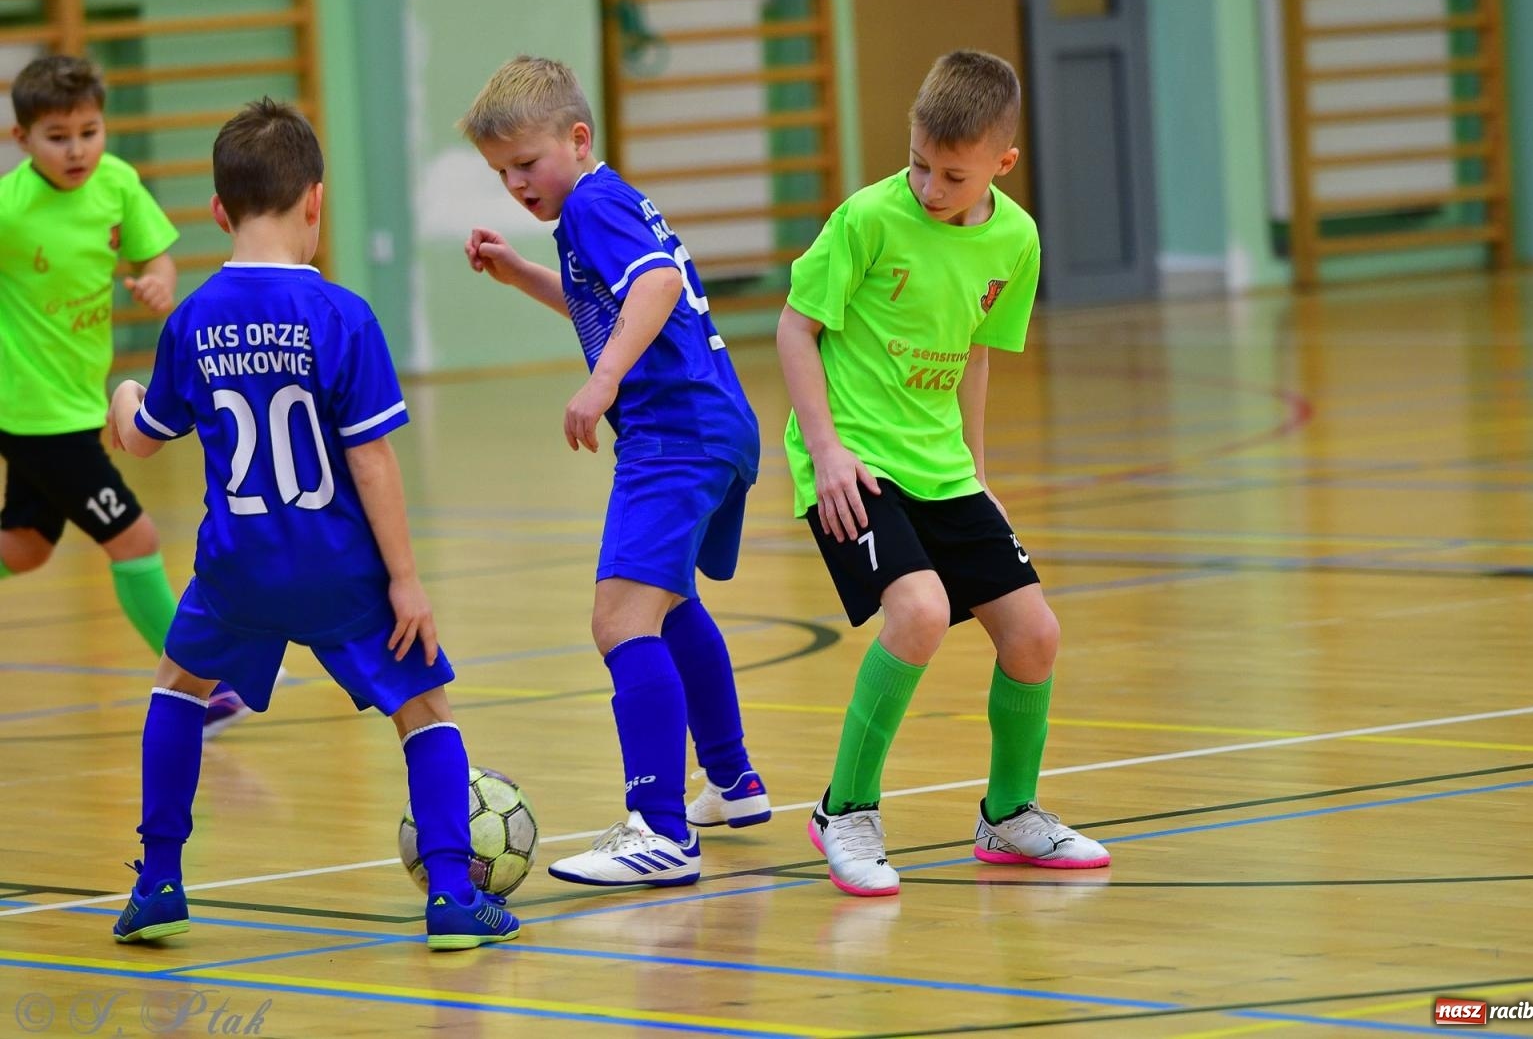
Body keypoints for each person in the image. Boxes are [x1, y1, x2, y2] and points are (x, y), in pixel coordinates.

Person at [106, 98, 518, 951]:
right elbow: (372, 460)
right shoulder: (343, 316)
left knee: (177, 687)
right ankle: (451, 893)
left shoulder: (193, 319)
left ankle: (158, 881)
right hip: (339, 569)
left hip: (237, 569)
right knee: (425, 710)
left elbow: (142, 440)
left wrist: (123, 397)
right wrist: (405, 580)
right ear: (316, 202)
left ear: (218, 211)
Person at [775, 50, 1111, 897]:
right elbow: (794, 329)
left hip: (943, 467)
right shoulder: (867, 218)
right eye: (919, 162)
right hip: (853, 460)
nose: (929, 186)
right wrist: (826, 451)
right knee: (919, 611)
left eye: (953, 175)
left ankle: (1009, 815)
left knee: (1035, 635)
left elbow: (974, 356)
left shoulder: (1016, 240)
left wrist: (979, 472)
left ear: (1003, 162)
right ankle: (844, 810)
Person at [460, 55, 767, 888]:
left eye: (526, 163)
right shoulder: (604, 204)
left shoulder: (591, 203)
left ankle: (660, 831)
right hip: (715, 424)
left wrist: (601, 384)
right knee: (666, 605)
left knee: (620, 620)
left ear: (577, 137)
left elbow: (656, 286)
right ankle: (732, 780)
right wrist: (523, 273)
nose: (516, 184)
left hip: (673, 433)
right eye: (501, 172)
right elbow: (612, 301)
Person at [0, 55, 251, 737]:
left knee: (26, 546)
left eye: (89, 131)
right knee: (135, 538)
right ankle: (202, 685)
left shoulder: (116, 184)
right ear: (21, 139)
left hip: (79, 403)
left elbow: (153, 255)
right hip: (34, 413)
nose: (76, 149)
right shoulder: (10, 209)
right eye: (57, 136)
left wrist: (159, 281)